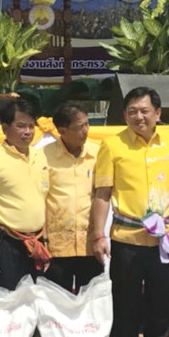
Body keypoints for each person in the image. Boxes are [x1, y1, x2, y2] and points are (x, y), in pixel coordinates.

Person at [92, 86, 169, 337]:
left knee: (162, 310)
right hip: (127, 241)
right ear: (124, 115)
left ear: (158, 113)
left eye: (145, 110)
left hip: (165, 242)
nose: (139, 116)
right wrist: (98, 234)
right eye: (132, 111)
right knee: (126, 309)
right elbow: (102, 193)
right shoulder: (112, 145)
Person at [0, 97, 49, 290]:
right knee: (6, 303)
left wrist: (46, 241)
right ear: (5, 128)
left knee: (37, 302)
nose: (27, 132)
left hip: (37, 243)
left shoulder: (41, 156)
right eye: (21, 126)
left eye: (31, 126)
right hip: (5, 244)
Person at [39, 102, 103, 295]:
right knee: (57, 301)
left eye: (87, 124)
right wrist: (42, 239)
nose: (86, 130)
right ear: (62, 130)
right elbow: (40, 199)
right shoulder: (43, 156)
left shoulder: (98, 154)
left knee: (90, 300)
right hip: (56, 247)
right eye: (80, 127)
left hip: (90, 245)